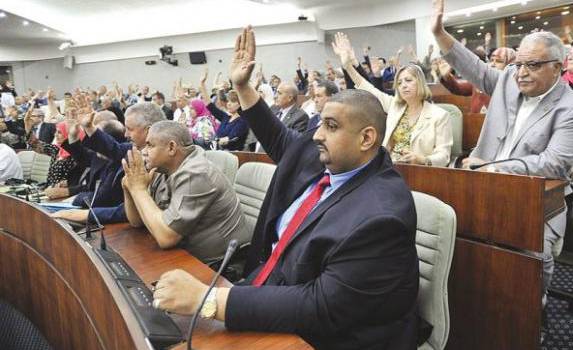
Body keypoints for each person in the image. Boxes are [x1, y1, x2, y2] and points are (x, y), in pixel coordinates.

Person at [152, 26, 419, 350]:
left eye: (331, 126)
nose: (317, 134)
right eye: (320, 122)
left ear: (366, 139)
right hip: (268, 291)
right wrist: (242, 86)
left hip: (333, 335)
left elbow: (322, 307)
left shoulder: (382, 216)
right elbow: (281, 139)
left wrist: (210, 302)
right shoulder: (331, 154)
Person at [431, 0, 573, 304]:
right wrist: (440, 33)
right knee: (455, 237)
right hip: (484, 185)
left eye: (532, 65)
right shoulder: (509, 79)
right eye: (518, 63)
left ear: (558, 68)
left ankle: (534, 308)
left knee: (532, 254)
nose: (521, 72)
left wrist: (493, 167)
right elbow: (474, 68)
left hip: (538, 198)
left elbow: (555, 164)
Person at [120, 120, 250, 264]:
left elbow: (166, 238)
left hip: (218, 267)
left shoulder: (196, 174)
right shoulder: (162, 168)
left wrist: (139, 190)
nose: (143, 151)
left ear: (171, 148)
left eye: (150, 145)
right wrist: (129, 189)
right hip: (185, 255)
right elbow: (137, 222)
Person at [334, 33, 453, 166]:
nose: (403, 86)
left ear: (420, 83)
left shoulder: (440, 115)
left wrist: (422, 160)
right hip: (389, 167)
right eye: (400, 83)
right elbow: (368, 88)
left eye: (408, 80)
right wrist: (347, 66)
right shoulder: (394, 105)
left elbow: (444, 155)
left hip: (420, 172)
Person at [438, 47, 516, 113]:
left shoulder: (513, 86)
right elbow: (458, 88)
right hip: (475, 125)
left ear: (510, 66)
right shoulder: (480, 79)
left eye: (499, 61)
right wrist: (446, 76)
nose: (492, 64)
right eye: (491, 60)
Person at [199, 77, 249, 151]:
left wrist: (214, 141)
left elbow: (230, 139)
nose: (228, 104)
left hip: (232, 155)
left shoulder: (243, 121)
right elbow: (210, 105)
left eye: (232, 101)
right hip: (218, 150)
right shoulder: (226, 117)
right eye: (228, 101)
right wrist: (202, 84)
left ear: (240, 104)